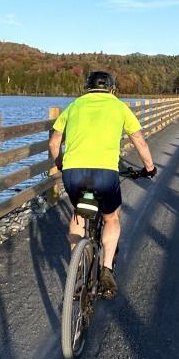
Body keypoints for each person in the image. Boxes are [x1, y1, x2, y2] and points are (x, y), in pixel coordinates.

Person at [48, 70, 156, 298]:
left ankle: (77, 270)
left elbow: (54, 141)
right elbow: (139, 140)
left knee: (78, 215)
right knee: (111, 217)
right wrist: (149, 168)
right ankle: (106, 270)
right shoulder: (119, 106)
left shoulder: (74, 106)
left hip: (73, 172)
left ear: (87, 87)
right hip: (105, 174)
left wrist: (59, 163)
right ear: (112, 88)